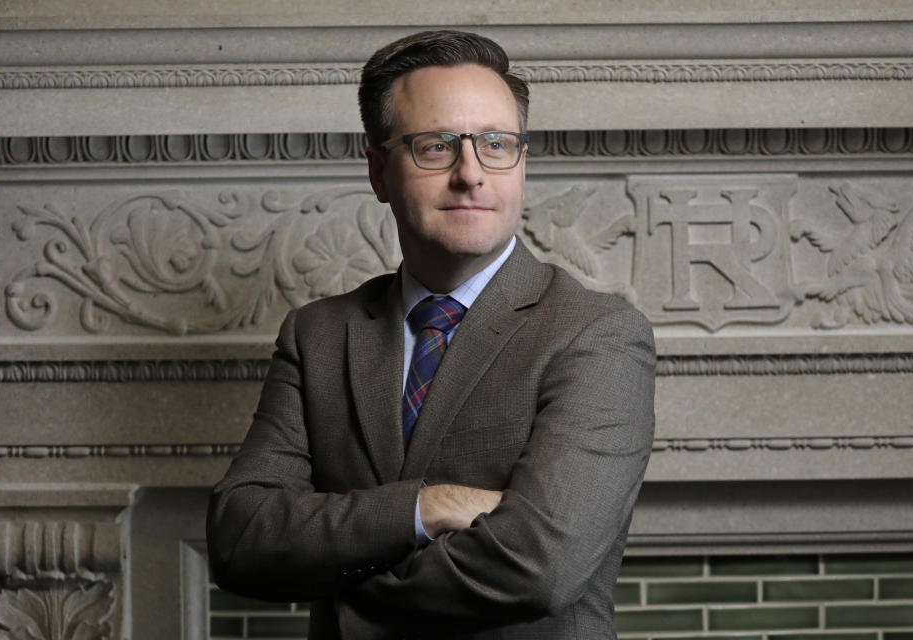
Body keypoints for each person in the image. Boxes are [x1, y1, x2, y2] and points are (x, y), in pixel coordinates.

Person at [207, 30, 655, 639]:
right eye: (436, 146)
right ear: (379, 172)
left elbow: (540, 567)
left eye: (496, 144)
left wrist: (345, 596)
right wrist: (429, 507)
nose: (470, 174)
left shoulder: (595, 334)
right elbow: (240, 537)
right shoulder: (318, 335)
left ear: (522, 163)